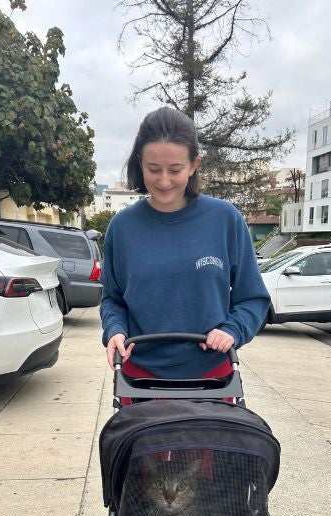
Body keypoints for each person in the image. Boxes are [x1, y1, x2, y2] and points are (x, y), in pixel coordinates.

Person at [100, 107, 269, 384]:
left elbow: (253, 298)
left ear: (194, 165)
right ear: (140, 164)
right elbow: (113, 300)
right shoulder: (122, 227)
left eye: (175, 169)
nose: (164, 181)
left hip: (212, 376)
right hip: (140, 377)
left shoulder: (225, 219)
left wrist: (232, 330)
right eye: (153, 169)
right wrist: (115, 330)